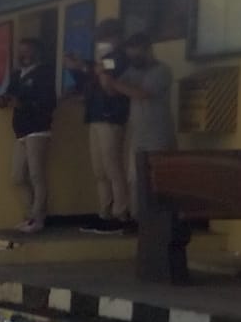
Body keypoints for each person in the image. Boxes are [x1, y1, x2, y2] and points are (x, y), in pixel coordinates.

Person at [65, 18, 133, 233]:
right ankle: (104, 212)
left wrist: (83, 65)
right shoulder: (103, 59)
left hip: (111, 116)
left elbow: (105, 68)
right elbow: (93, 75)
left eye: (106, 37)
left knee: (113, 168)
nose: (103, 41)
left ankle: (120, 213)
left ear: (117, 37)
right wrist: (79, 68)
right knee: (99, 170)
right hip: (95, 115)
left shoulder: (121, 57)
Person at [101, 32, 175, 221]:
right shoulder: (133, 71)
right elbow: (113, 91)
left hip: (158, 133)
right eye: (130, 56)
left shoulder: (162, 71)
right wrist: (104, 74)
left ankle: (158, 219)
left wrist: (114, 83)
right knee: (134, 179)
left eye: (137, 56)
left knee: (157, 178)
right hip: (138, 133)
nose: (133, 60)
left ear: (148, 50)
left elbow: (142, 93)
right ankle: (137, 218)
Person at [0, 36, 56, 233]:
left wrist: (23, 104)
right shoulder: (16, 75)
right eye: (21, 50)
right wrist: (3, 100)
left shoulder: (45, 73)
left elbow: (49, 102)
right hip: (21, 130)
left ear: (36, 52)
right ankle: (30, 214)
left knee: (37, 175)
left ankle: (38, 218)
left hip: (38, 129)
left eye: (28, 50)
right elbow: (10, 94)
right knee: (17, 177)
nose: (24, 54)